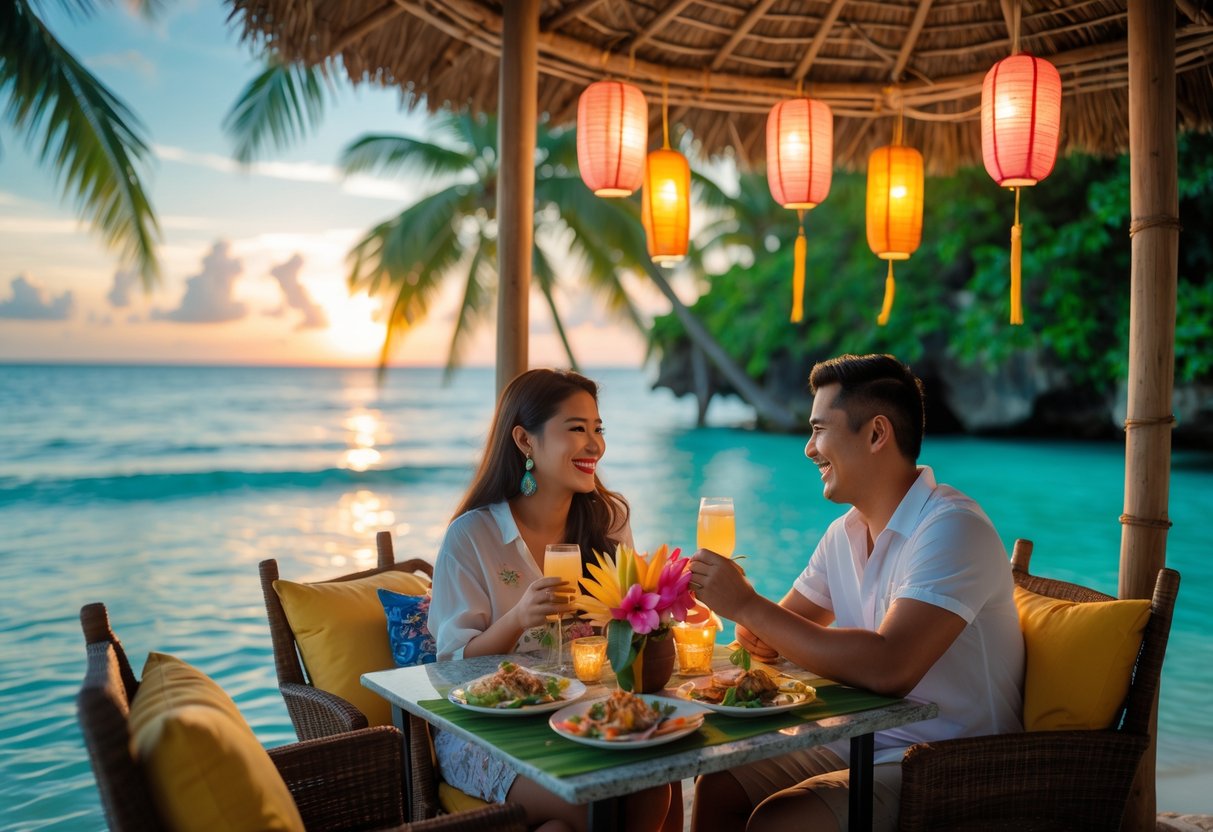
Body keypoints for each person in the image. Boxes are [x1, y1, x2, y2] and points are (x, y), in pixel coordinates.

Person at [688, 353, 1024, 832]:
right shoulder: (844, 533)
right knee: (721, 785)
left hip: (949, 759)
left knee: (778, 821)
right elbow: (768, 637)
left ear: (876, 434)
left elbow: (890, 667)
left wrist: (746, 603)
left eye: (819, 429)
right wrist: (750, 620)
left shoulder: (951, 528)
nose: (809, 448)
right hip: (866, 736)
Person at [429, 368, 671, 832]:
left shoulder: (609, 521)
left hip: (579, 711)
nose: (595, 445)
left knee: (653, 784)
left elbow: (631, 619)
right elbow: (451, 663)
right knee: (590, 808)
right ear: (525, 441)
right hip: (488, 731)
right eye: (577, 429)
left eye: (598, 429)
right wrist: (518, 617)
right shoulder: (473, 536)